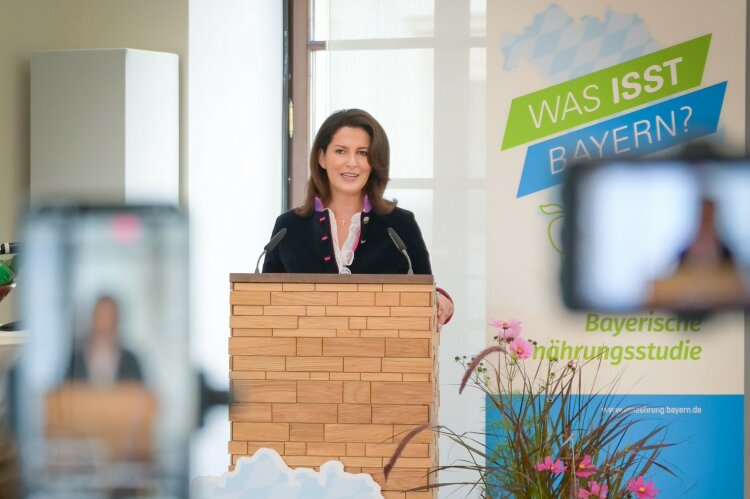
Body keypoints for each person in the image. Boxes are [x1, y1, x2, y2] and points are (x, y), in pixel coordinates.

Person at [263, 108, 454, 330]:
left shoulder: (400, 225)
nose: (352, 162)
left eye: (363, 153)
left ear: (374, 162)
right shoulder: (288, 227)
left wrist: (439, 300)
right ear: (322, 158)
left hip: (381, 357)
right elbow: (266, 300)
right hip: (303, 359)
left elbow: (424, 289)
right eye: (341, 151)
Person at [66, 295, 143, 384]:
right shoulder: (76, 360)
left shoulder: (131, 362)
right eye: (101, 315)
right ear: (93, 319)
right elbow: (64, 392)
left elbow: (141, 393)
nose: (105, 321)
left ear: (117, 320)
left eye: (109, 315)